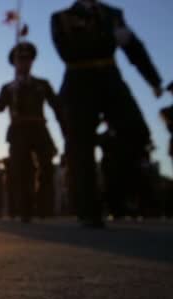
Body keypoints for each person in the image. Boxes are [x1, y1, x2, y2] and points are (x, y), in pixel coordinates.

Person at [51, 0, 163, 227]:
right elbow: (68, 51)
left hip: (111, 80)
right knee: (80, 146)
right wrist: (110, 37)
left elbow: (134, 48)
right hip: (78, 83)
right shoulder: (61, 17)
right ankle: (88, 209)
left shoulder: (113, 13)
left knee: (137, 132)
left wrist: (153, 79)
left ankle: (117, 192)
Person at [0, 42, 64, 222]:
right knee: (21, 170)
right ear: (14, 63)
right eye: (20, 60)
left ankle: (45, 209)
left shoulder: (42, 84)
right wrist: (9, 92)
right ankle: (24, 211)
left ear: (32, 62)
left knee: (47, 167)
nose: (24, 63)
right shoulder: (8, 87)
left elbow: (56, 105)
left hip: (39, 128)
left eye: (27, 60)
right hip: (18, 131)